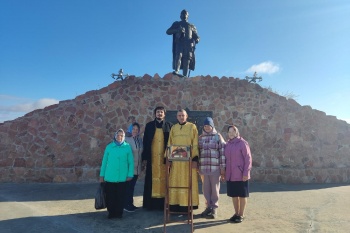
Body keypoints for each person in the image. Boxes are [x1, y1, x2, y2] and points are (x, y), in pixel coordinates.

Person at [166, 109, 199, 212]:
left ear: (186, 116)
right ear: (177, 117)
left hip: (188, 161)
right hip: (176, 161)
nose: (181, 117)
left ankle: (189, 204)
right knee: (175, 182)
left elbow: (195, 143)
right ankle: (174, 204)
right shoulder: (174, 128)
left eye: (183, 115)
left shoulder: (192, 127)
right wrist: (167, 158)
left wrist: (195, 159)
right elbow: (169, 143)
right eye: (179, 115)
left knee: (188, 182)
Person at [142, 106, 173, 210]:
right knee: (151, 179)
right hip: (152, 159)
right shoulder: (149, 126)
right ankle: (150, 205)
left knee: (165, 179)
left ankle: (164, 204)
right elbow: (146, 142)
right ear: (155, 113)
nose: (159, 114)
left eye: (161, 112)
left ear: (164, 114)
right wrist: (145, 158)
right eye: (158, 112)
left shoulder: (169, 126)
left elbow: (172, 142)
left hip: (165, 158)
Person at [99, 129, 134, 219]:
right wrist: (101, 175)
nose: (120, 137)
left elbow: (131, 162)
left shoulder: (127, 147)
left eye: (122, 135)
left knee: (120, 197)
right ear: (115, 136)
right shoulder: (109, 147)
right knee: (110, 197)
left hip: (122, 177)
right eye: (118, 135)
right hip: (110, 177)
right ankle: (111, 213)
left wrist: (130, 175)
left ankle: (119, 213)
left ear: (124, 137)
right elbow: (104, 162)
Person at [198, 117, 226, 219]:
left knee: (215, 189)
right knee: (205, 189)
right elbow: (198, 153)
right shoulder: (200, 138)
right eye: (205, 126)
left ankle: (214, 208)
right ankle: (208, 207)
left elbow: (222, 153)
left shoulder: (218, 137)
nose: (207, 127)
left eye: (209, 125)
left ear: (212, 126)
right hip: (204, 168)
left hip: (215, 168)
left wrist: (223, 167)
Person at [224, 125, 252, 223]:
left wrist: (245, 173)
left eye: (233, 131)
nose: (231, 133)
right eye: (229, 132)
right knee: (234, 195)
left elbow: (248, 159)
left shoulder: (243, 143)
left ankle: (241, 214)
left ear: (237, 132)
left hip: (241, 175)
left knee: (242, 195)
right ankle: (236, 213)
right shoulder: (227, 144)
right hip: (231, 175)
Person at [166, 9, 200, 77]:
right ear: (180, 16)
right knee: (178, 55)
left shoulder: (191, 26)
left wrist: (197, 39)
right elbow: (168, 31)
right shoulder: (177, 24)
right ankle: (177, 70)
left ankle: (185, 75)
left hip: (188, 44)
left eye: (185, 14)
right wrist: (177, 30)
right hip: (179, 42)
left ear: (188, 16)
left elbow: (196, 35)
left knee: (187, 59)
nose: (184, 15)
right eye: (182, 14)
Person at [124, 123, 143, 212]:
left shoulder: (139, 139)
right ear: (130, 129)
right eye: (133, 129)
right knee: (127, 187)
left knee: (132, 187)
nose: (135, 131)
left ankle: (130, 203)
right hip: (129, 168)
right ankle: (125, 204)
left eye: (136, 129)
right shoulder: (127, 140)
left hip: (137, 167)